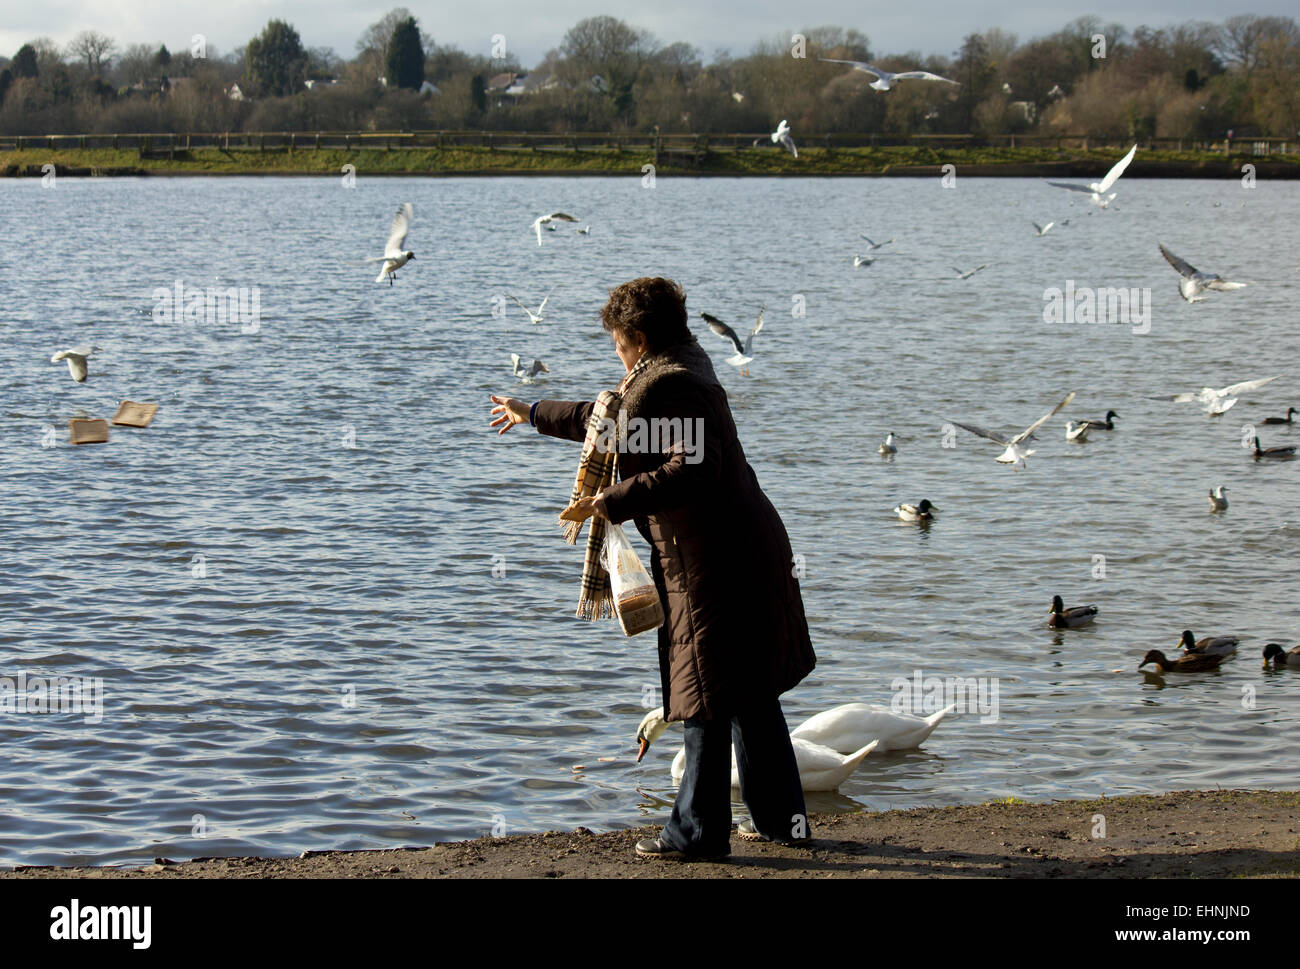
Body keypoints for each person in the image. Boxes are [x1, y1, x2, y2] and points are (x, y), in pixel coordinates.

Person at [489, 277, 815, 860]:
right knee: (746, 692)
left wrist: (608, 500)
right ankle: (781, 826)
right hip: (738, 548)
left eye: (616, 342)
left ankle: (695, 836)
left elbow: (694, 469)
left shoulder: (672, 383)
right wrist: (533, 411)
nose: (614, 352)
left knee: (704, 694)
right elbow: (607, 422)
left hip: (711, 560)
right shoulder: (678, 366)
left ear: (637, 337)